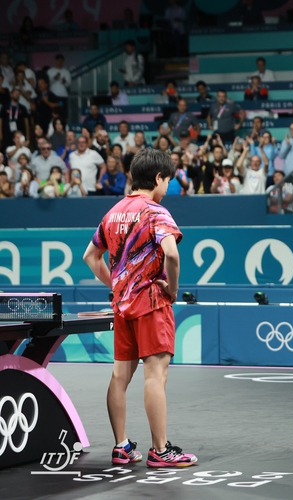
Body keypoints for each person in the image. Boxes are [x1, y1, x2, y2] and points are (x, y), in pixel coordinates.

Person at [83, 149, 197, 468]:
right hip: (150, 302)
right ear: (158, 178)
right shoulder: (155, 211)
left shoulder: (113, 212)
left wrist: (117, 286)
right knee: (155, 375)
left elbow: (90, 257)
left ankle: (121, 446)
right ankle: (160, 450)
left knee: (120, 376)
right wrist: (172, 289)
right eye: (168, 181)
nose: (168, 188)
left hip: (122, 306)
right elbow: (171, 255)